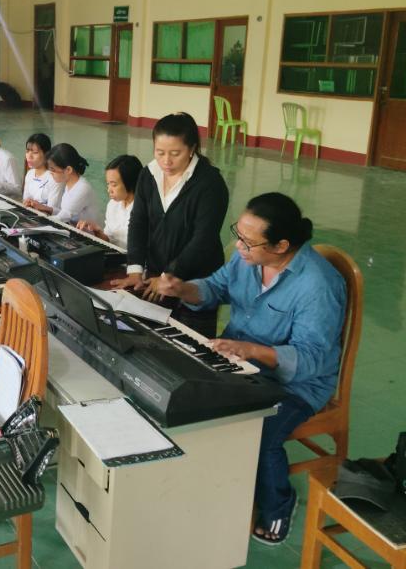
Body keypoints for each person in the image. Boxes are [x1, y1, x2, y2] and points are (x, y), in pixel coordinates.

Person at [154, 193, 345, 546]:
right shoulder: (247, 260)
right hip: (239, 364)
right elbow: (214, 288)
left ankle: (278, 505)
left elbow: (313, 358)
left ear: (281, 245)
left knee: (263, 433)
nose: (238, 245)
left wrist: (254, 350)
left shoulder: (318, 285)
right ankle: (215, 487)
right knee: (178, 393)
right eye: (237, 234)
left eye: (247, 241)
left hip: (296, 384)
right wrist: (184, 289)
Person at [111, 112, 229, 337]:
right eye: (160, 152)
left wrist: (169, 275)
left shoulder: (210, 183)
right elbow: (139, 222)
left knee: (190, 344)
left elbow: (203, 239)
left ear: (192, 148)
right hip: (155, 275)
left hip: (195, 279)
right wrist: (135, 269)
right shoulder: (149, 174)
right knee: (152, 338)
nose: (166, 161)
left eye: (175, 153)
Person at [77, 154, 142, 249]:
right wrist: (97, 231)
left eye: (114, 185)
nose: (109, 190)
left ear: (130, 182)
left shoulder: (144, 209)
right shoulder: (113, 204)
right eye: (108, 184)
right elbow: (109, 240)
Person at [46, 143, 102, 225]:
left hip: (90, 235)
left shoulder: (83, 188)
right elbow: (65, 212)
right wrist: (45, 208)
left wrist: (39, 220)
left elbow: (64, 216)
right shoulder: (69, 185)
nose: (50, 173)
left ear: (68, 170)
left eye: (53, 170)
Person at [22, 133, 63, 213]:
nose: (29, 156)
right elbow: (25, 201)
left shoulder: (55, 178)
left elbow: (53, 211)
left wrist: (38, 206)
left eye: (35, 152)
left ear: (46, 154)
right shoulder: (30, 174)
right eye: (27, 151)